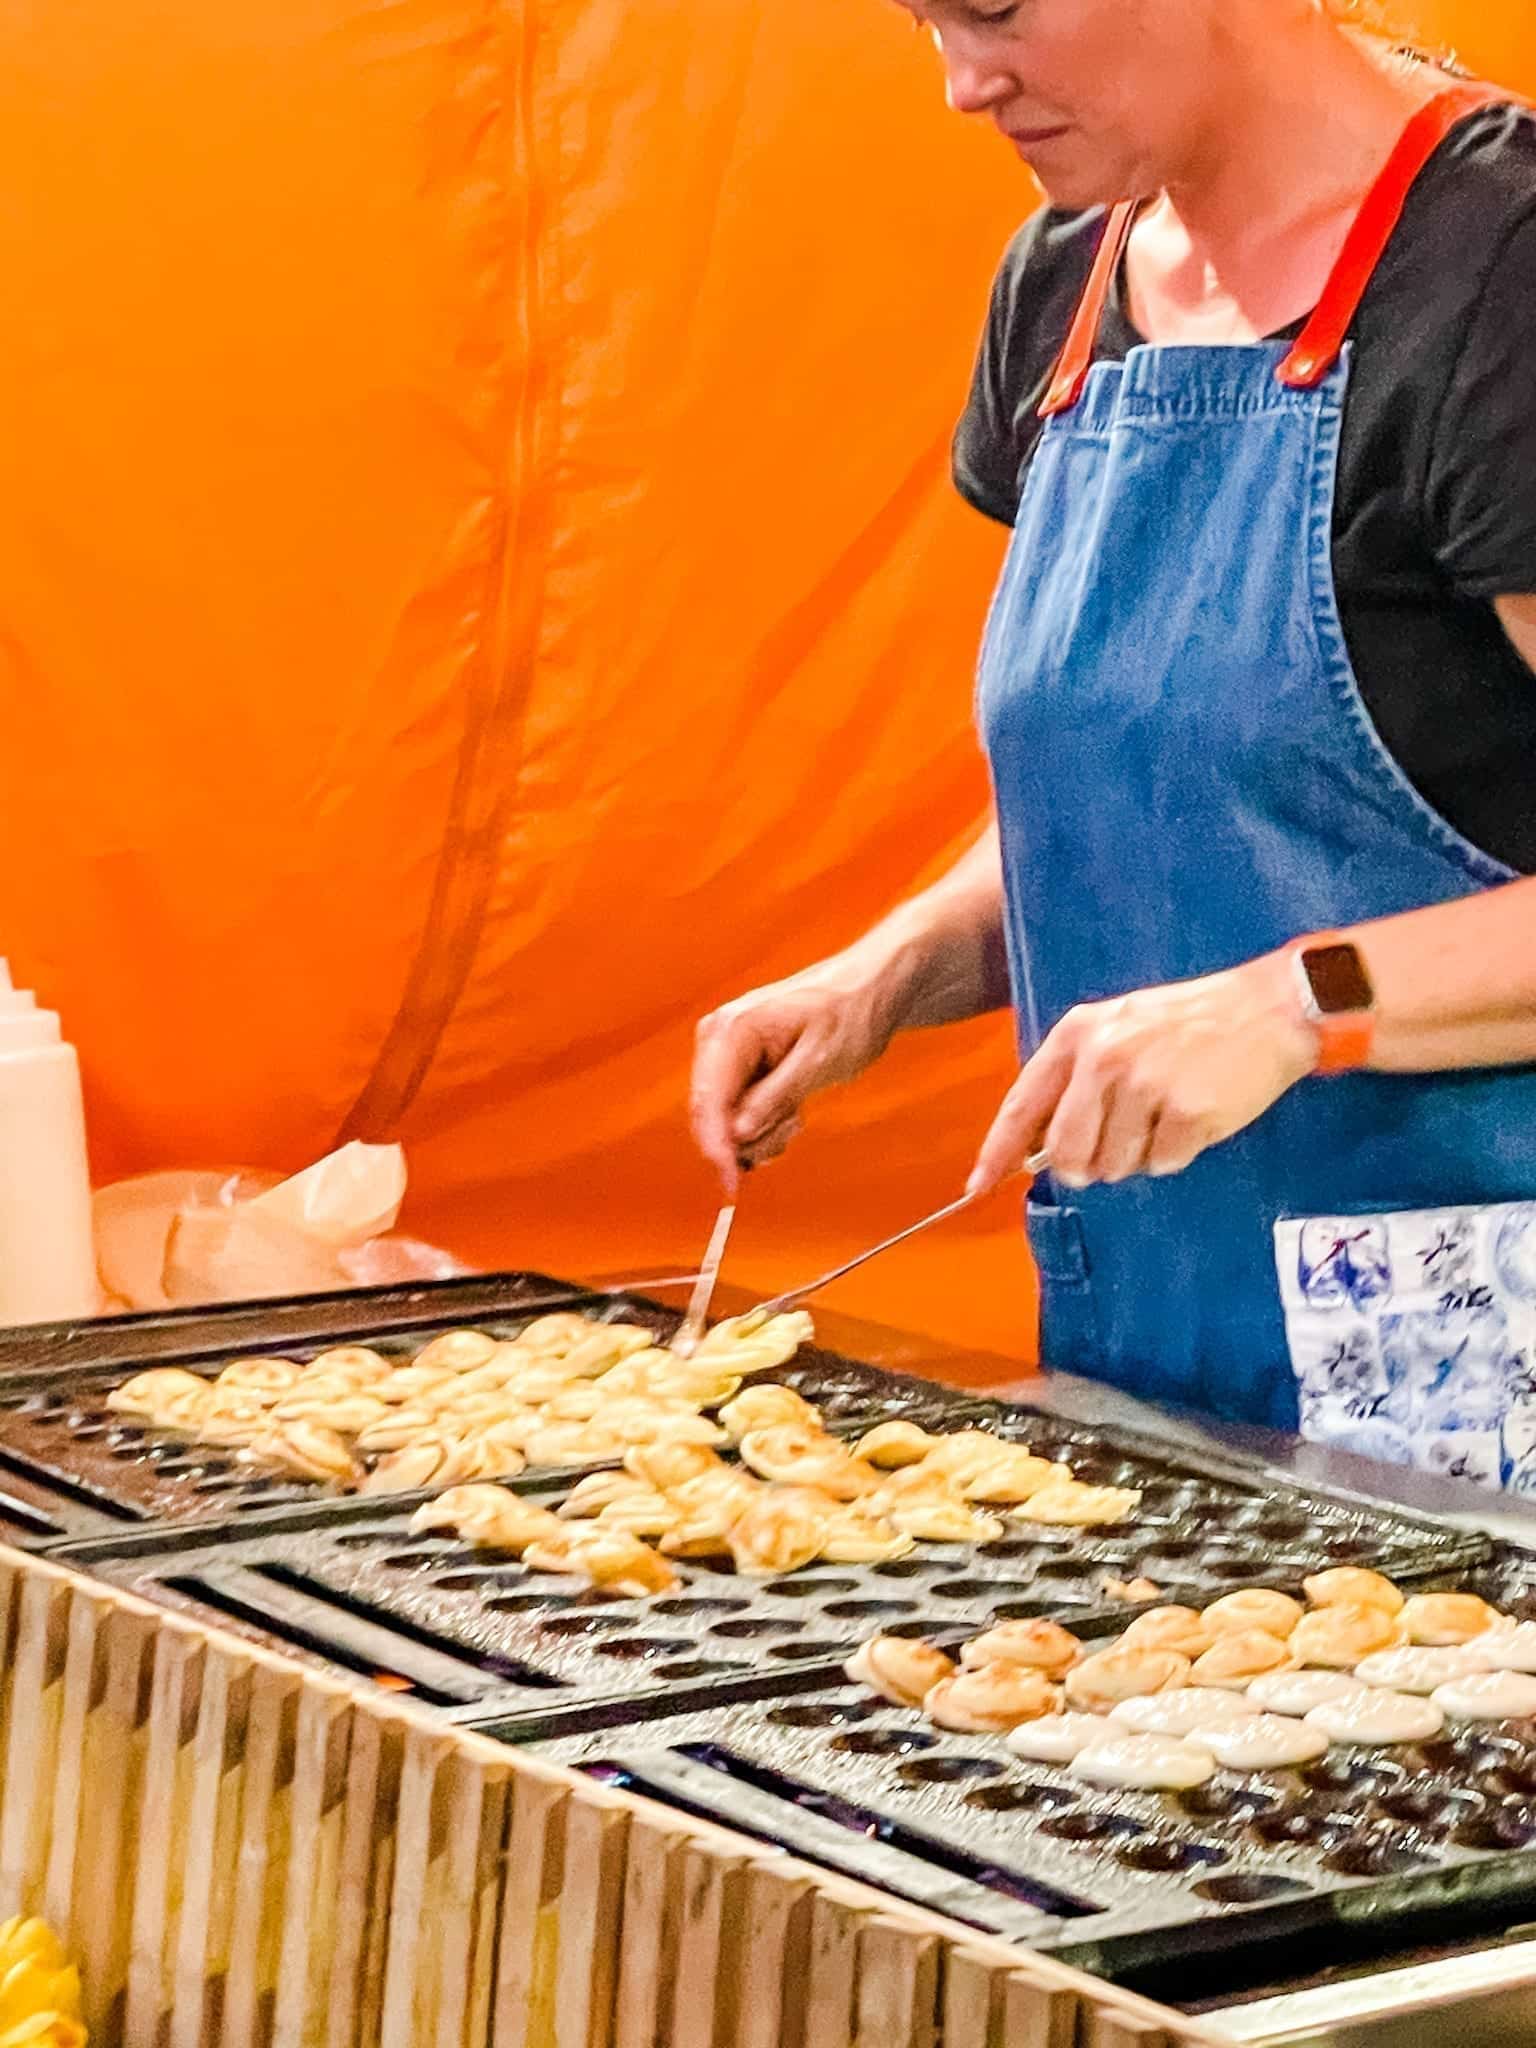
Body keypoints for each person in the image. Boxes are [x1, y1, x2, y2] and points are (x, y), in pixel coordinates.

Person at [688, 0, 1536, 1463]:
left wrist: (1297, 1004)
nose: (963, 84)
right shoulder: (1066, 290)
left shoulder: (1501, 283)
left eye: (999, 9)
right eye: (927, 21)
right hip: (1146, 1359)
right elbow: (1149, 788)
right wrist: (896, 968)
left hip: (1481, 1390)